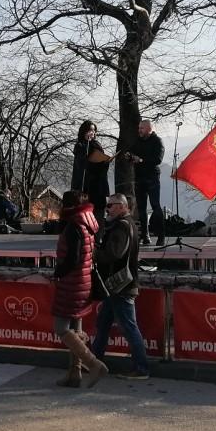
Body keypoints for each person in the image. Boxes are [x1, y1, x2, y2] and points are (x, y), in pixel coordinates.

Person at [90, 194, 151, 379]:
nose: (107, 208)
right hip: (117, 285)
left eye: (111, 205)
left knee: (129, 327)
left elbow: (114, 254)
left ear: (122, 207)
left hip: (122, 286)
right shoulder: (126, 225)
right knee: (103, 324)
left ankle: (141, 368)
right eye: (107, 205)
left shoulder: (122, 227)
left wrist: (95, 252)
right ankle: (94, 362)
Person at [51, 190, 107, 388]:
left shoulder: (74, 225)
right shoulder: (88, 222)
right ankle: (74, 373)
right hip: (84, 282)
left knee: (61, 328)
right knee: (76, 327)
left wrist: (58, 272)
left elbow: (72, 259)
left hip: (71, 283)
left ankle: (94, 364)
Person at [125, 119, 166, 247]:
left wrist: (141, 160)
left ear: (149, 128)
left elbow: (158, 159)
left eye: (142, 128)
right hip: (139, 177)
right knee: (141, 208)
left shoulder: (157, 141)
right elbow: (131, 151)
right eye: (139, 128)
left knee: (155, 205)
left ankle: (161, 236)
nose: (139, 130)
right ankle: (145, 236)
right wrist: (129, 155)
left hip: (152, 177)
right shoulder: (138, 141)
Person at [70, 120, 110, 213]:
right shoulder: (80, 146)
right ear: (84, 131)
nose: (92, 133)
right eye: (90, 130)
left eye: (94, 130)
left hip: (98, 183)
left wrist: (105, 162)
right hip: (86, 184)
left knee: (98, 211)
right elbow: (81, 165)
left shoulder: (97, 145)